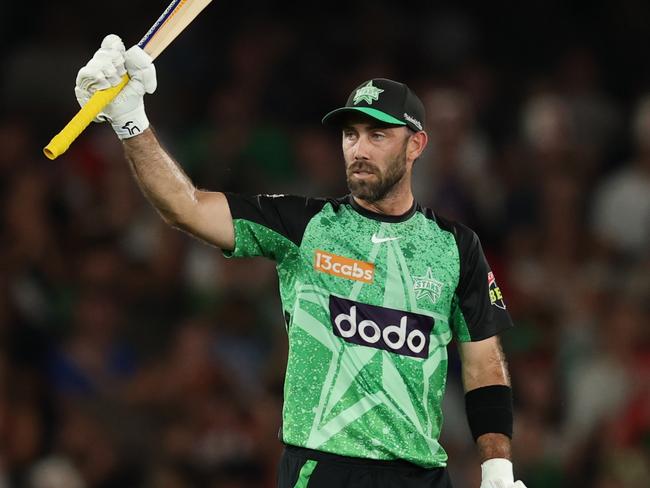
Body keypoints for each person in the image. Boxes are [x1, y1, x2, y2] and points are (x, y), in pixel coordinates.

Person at [73, 34, 527, 488]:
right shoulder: (303, 225)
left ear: (416, 145)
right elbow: (186, 206)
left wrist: (498, 471)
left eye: (378, 135)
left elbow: (484, 362)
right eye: (351, 134)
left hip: (421, 475)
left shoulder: (456, 245)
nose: (359, 149)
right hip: (322, 469)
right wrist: (131, 120)